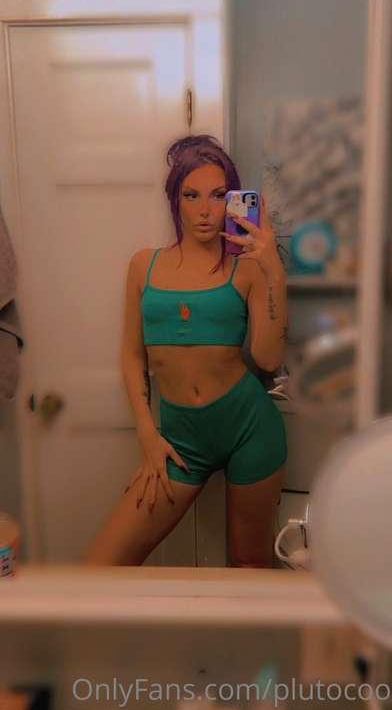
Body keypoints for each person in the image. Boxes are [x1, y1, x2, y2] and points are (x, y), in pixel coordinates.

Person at [84, 135, 288, 567]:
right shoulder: (143, 265)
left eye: (217, 195)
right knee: (103, 566)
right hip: (179, 442)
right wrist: (147, 435)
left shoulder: (247, 268)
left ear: (232, 201)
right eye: (191, 195)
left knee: (249, 569)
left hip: (249, 428)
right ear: (174, 200)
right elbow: (132, 356)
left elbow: (268, 359)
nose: (205, 210)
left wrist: (273, 270)